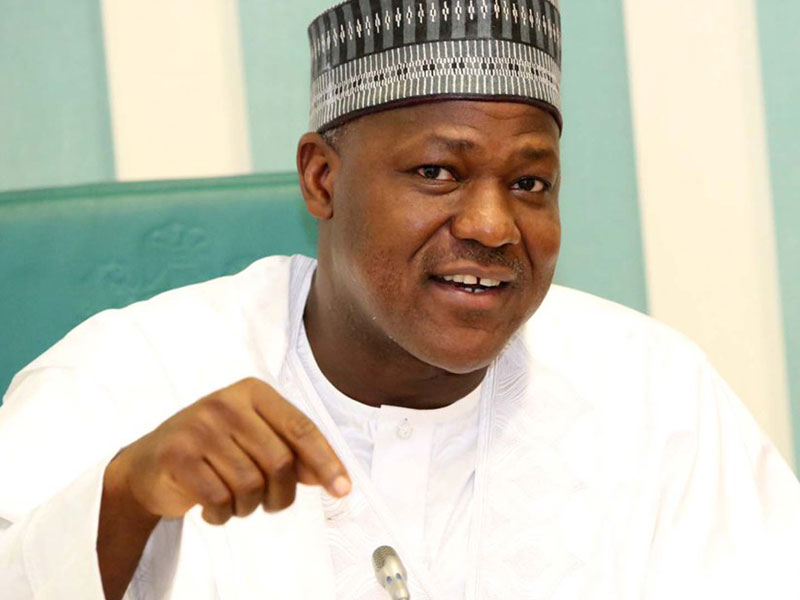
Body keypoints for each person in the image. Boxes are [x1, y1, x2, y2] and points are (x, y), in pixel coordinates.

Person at [1, 1, 799, 598]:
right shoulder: (130, 381)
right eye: (437, 173)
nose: (493, 226)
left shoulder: (656, 395)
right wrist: (126, 498)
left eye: (529, 183)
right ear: (323, 179)